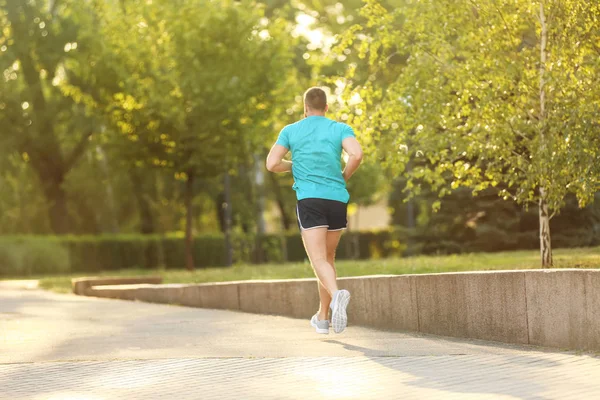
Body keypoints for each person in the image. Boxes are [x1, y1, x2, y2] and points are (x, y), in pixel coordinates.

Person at [266, 87, 363, 334]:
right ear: (326, 107)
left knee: (318, 259)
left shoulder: (291, 130)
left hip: (310, 200)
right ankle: (322, 318)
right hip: (337, 200)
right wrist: (344, 175)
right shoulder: (340, 128)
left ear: (305, 107)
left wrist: (293, 166)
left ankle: (337, 294)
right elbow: (356, 154)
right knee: (327, 259)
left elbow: (272, 163)